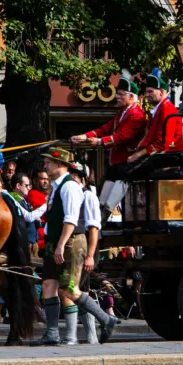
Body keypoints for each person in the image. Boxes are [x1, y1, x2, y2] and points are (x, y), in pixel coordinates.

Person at [33, 148, 118, 346]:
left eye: (48, 162)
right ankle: (52, 333)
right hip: (56, 243)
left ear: (59, 164)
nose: (45, 166)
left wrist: (61, 245)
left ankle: (107, 319)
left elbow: (70, 220)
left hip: (70, 244)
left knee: (69, 290)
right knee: (48, 285)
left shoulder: (69, 187)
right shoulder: (58, 186)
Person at [70, 75, 148, 216]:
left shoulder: (137, 115)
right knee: (100, 204)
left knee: (106, 206)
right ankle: (97, 228)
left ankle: (99, 228)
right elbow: (105, 128)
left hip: (126, 165)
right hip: (117, 164)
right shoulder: (122, 113)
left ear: (131, 97)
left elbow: (123, 137)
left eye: (120, 94)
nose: (116, 97)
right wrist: (85, 136)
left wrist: (100, 141)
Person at [69, 162, 104, 344]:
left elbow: (93, 228)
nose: (71, 180)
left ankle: (96, 329)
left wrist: (90, 255)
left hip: (86, 247)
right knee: (77, 289)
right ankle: (91, 334)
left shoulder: (88, 196)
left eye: (75, 177)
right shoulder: (68, 194)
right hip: (73, 247)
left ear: (82, 179)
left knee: (75, 289)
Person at [127, 69, 183, 162]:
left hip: (167, 158)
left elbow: (162, 144)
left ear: (161, 92)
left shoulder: (166, 109)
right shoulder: (159, 109)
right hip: (158, 156)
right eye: (146, 92)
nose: (147, 95)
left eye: (150, 91)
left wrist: (138, 155)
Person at [26, 169, 51, 252]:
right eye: (43, 179)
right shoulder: (33, 194)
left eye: (47, 179)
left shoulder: (42, 194)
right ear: (35, 180)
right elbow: (46, 213)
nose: (45, 181)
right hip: (39, 241)